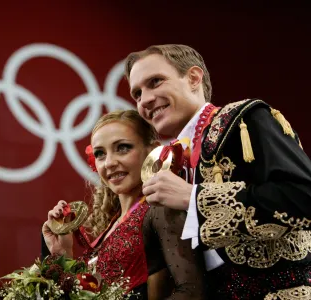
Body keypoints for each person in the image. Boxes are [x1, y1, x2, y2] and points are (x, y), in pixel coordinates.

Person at [124, 44, 311, 299]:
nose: (144, 100)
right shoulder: (169, 163)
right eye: (136, 94)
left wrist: (194, 198)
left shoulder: (243, 120)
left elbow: (303, 196)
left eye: (155, 82)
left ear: (193, 78)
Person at [42, 110, 205, 299]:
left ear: (152, 150)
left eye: (123, 148)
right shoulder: (111, 225)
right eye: (100, 154)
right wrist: (62, 255)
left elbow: (193, 291)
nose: (109, 162)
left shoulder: (160, 209)